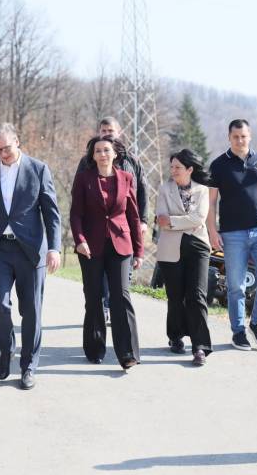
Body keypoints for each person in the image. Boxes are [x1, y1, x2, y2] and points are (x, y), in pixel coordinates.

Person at [0, 123, 61, 390]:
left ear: (17, 141)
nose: (2, 155)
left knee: (31, 310)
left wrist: (54, 248)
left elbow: (51, 213)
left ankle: (28, 366)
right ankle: (6, 349)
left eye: (6, 148)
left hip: (30, 250)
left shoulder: (38, 169)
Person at [206, 119, 257, 351]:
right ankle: (239, 331)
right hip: (232, 234)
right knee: (236, 286)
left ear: (249, 136)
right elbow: (211, 202)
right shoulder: (218, 165)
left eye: (243, 136)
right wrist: (212, 230)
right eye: (235, 137)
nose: (240, 140)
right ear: (229, 137)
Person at [70, 135, 143, 370]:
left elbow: (133, 216)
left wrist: (139, 251)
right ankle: (95, 348)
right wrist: (80, 240)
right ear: (93, 156)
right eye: (98, 151)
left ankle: (128, 353)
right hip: (90, 247)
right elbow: (76, 214)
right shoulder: (84, 179)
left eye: (106, 150)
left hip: (121, 244)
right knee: (93, 296)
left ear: (115, 154)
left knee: (121, 296)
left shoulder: (126, 178)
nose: (102, 154)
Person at [75, 117, 149, 322]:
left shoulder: (132, 161)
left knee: (121, 281)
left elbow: (142, 191)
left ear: (119, 133)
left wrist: (143, 220)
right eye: (103, 130)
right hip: (96, 229)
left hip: (125, 227)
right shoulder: (87, 162)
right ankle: (104, 308)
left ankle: (115, 310)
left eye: (111, 130)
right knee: (98, 280)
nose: (107, 134)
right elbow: (78, 198)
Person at [155, 149, 212, 366]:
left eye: (178, 167)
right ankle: (175, 336)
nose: (173, 170)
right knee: (175, 296)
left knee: (197, 295)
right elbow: (161, 219)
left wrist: (173, 221)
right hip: (170, 248)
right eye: (171, 167)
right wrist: (184, 221)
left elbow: (199, 218)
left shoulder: (203, 190)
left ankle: (200, 347)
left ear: (190, 169)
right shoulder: (164, 189)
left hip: (198, 246)